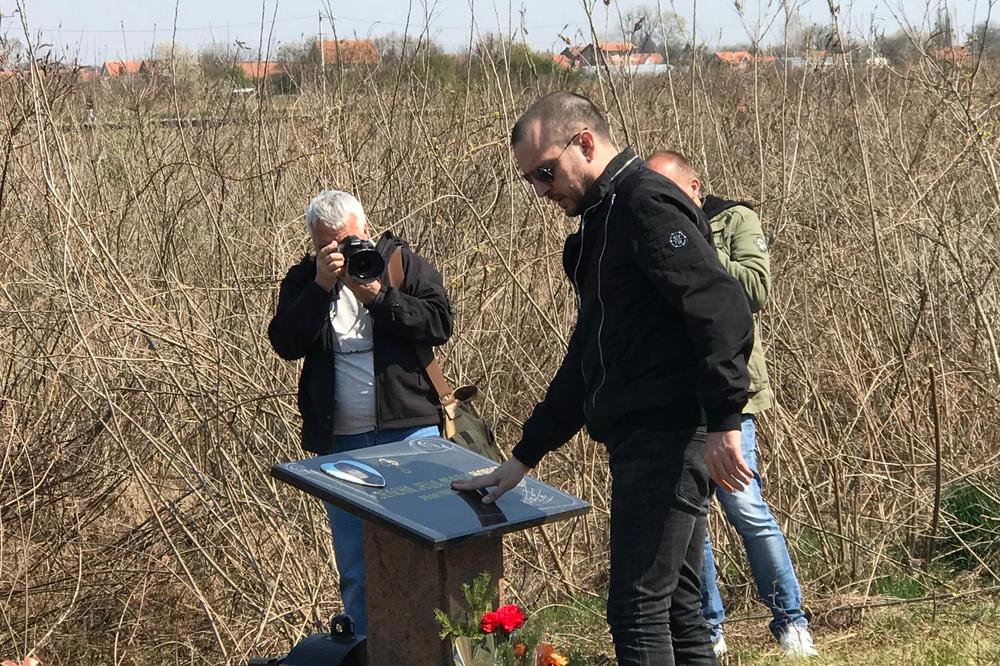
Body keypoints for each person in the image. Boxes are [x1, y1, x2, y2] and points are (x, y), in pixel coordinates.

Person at [453, 92, 755, 666]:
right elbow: (588, 358)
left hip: (667, 436)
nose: (540, 190)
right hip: (649, 437)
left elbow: (721, 307)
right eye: (530, 179)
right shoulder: (603, 219)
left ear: (585, 143)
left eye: (545, 172)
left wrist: (725, 418)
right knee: (678, 610)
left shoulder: (643, 203)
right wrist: (524, 456)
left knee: (637, 611)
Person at [646, 150, 819, 659]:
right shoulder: (650, 233)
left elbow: (756, 289)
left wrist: (694, 251)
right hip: (676, 397)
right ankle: (707, 629)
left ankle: (790, 621)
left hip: (729, 394)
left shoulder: (735, 220)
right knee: (691, 522)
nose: (660, 203)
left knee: (746, 508)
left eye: (669, 192)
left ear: (694, 187)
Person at [268, 189, 453, 635]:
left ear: (365, 230)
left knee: (423, 550)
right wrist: (320, 287)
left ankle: (433, 648)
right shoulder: (305, 278)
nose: (340, 254)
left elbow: (439, 323)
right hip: (343, 444)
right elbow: (285, 343)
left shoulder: (400, 264)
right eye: (326, 246)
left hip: (409, 435)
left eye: (348, 242)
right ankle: (369, 646)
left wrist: (377, 296)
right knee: (356, 564)